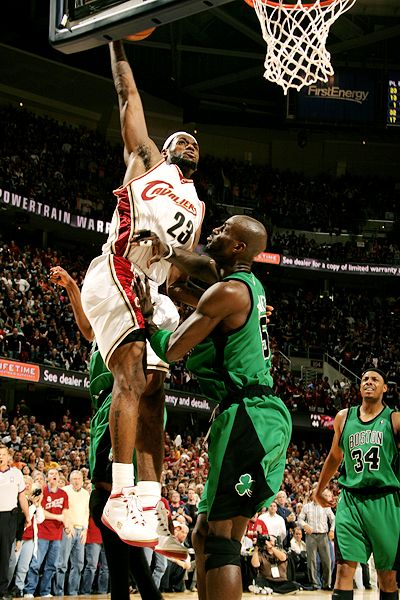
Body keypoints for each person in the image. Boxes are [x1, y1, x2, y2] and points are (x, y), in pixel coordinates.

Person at [80, 38, 204, 546]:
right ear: (165, 146)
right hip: (116, 268)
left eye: (197, 142)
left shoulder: (195, 208)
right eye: (182, 138)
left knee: (155, 393)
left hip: (147, 291)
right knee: (132, 375)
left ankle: (147, 503)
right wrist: (117, 38)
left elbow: (186, 271)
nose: (190, 142)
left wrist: (171, 274)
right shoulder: (149, 159)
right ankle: (119, 494)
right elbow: (126, 93)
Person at [136, 214, 292, 600]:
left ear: (239, 247)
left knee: (222, 539)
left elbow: (173, 349)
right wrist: (169, 250)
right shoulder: (241, 287)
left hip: (251, 416)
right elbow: (200, 270)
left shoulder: (229, 292)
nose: (215, 232)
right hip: (248, 414)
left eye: (223, 231)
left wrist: (146, 320)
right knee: (204, 531)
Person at [50, 265, 179, 599]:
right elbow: (89, 330)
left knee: (104, 501)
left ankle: (126, 591)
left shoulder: (149, 313)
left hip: (126, 410)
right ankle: (145, 593)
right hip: (105, 413)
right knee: (106, 505)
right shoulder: (111, 318)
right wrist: (72, 290)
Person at [315, 367, 400, 600]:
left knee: (388, 577)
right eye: (364, 379)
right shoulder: (344, 417)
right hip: (351, 501)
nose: (369, 382)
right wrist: (319, 489)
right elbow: (334, 456)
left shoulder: (394, 419)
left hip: (386, 501)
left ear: (385, 388)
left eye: (375, 379)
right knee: (343, 570)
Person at [23, 468, 68, 599]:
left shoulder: (63, 494)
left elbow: (65, 512)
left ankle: (45, 591)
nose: (54, 476)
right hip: (42, 532)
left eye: (56, 474)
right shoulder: (40, 490)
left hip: (57, 534)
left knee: (52, 565)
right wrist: (57, 517)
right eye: (51, 474)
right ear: (47, 478)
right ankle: (29, 590)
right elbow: (40, 510)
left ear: (59, 478)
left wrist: (67, 525)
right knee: (36, 564)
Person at [0, 445, 30, 600]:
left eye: (3, 454)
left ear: (8, 457)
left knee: (5, 555)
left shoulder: (16, 474)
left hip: (8, 517)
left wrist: (27, 515)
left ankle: (2, 589)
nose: (1, 457)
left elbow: (22, 497)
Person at [54, 470, 90, 596]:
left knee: (79, 564)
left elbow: (86, 512)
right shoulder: (64, 491)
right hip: (68, 530)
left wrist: (85, 529)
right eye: (74, 479)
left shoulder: (86, 494)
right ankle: (59, 592)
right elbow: (64, 510)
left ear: (82, 480)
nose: (76, 481)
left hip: (81, 531)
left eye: (78, 479)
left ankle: (73, 592)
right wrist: (68, 526)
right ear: (70, 480)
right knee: (62, 563)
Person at [297, 483, 335, 591]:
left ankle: (326, 584)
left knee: (327, 561)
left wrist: (332, 530)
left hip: (323, 535)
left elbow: (333, 519)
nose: (315, 495)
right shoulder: (306, 507)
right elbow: (300, 519)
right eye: (313, 493)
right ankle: (314, 583)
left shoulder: (325, 506)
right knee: (311, 561)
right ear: (311, 495)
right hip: (311, 536)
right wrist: (305, 525)